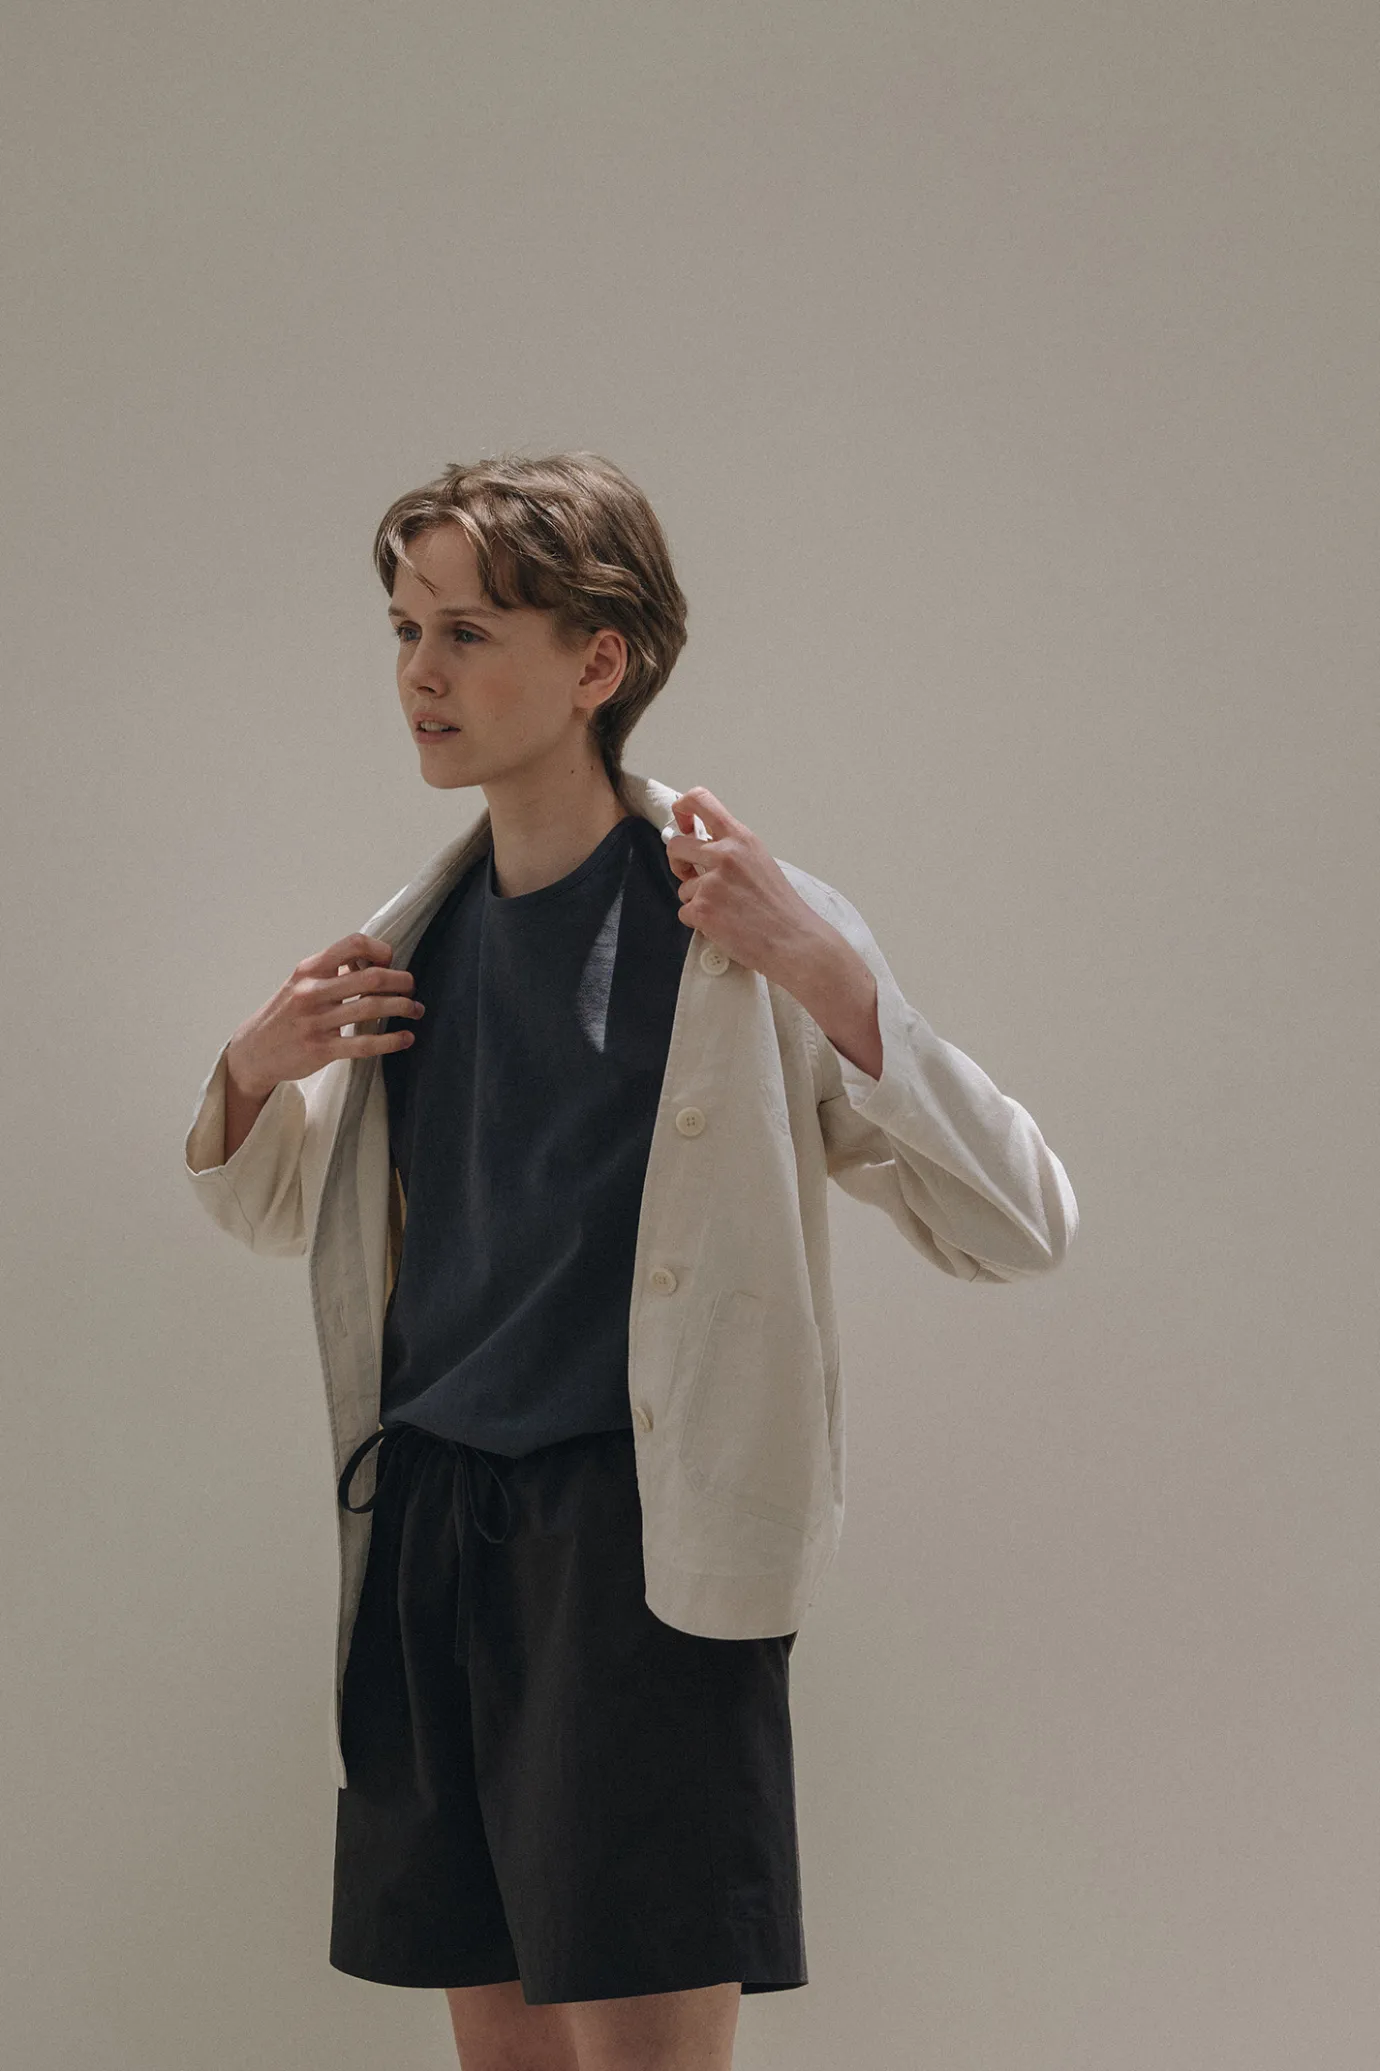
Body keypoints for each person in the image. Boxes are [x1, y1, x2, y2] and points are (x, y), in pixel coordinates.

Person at [183, 451, 1079, 2071]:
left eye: (468, 632)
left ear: (599, 662)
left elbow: (1019, 1218)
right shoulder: (414, 944)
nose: (421, 673)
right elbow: (281, 1216)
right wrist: (253, 1071)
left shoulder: (736, 929)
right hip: (431, 1531)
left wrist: (826, 971)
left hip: (632, 1548)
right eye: (404, 631)